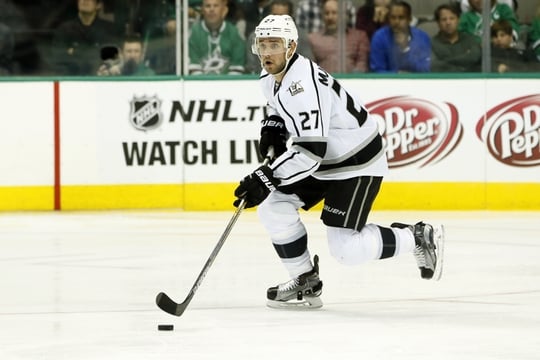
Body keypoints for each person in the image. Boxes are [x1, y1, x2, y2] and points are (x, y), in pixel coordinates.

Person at [233, 14, 444, 309]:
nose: (267, 52)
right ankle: (305, 281)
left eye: (274, 44)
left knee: (347, 250)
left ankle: (416, 237)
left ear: (291, 46)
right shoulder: (271, 75)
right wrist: (273, 125)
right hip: (324, 157)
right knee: (273, 205)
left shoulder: (302, 85)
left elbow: (309, 152)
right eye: (262, 45)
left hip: (355, 161)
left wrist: (266, 176)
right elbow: (277, 106)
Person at [50, 0, 121, 75]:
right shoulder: (64, 29)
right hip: (71, 79)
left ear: (99, 5)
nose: (84, 1)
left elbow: (113, 58)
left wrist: (74, 51)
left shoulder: (109, 29)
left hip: (100, 79)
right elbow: (58, 58)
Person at [245, 0, 313, 74]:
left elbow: (308, 65)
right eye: (275, 15)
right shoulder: (255, 36)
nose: (277, 20)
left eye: (282, 16)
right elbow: (251, 67)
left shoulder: (300, 36)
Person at [308, 0, 369, 73]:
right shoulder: (313, 39)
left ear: (344, 15)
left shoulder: (359, 37)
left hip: (353, 82)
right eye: (326, 13)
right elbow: (310, 69)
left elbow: (362, 65)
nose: (330, 17)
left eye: (334, 13)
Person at [369, 1, 431, 73]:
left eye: (401, 18)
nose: (396, 22)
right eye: (393, 17)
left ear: (409, 19)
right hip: (387, 82)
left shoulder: (422, 37)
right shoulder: (379, 37)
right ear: (388, 18)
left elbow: (425, 69)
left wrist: (405, 48)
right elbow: (377, 70)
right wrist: (396, 74)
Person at [188, 0, 246, 75]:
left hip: (228, 85)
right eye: (208, 6)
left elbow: (237, 70)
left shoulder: (234, 33)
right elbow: (194, 68)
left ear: (224, 10)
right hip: (201, 85)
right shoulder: (194, 33)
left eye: (215, 6)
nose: (211, 9)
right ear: (202, 10)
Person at [431, 3, 481, 72]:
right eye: (444, 19)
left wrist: (445, 61)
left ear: (458, 20)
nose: (448, 22)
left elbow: (475, 57)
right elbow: (435, 66)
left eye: (452, 18)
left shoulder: (470, 39)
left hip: (469, 80)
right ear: (438, 23)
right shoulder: (431, 44)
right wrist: (465, 58)